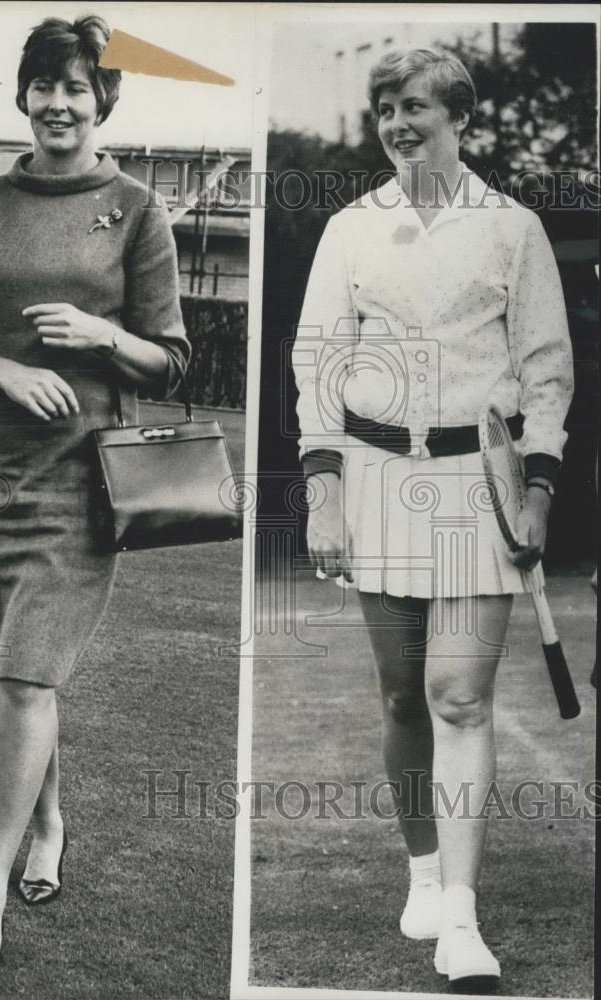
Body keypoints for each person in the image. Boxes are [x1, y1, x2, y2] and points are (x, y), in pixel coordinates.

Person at [292, 48, 573, 990]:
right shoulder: (347, 228)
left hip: (478, 488)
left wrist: (536, 489)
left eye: (414, 106)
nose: (397, 123)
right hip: (374, 479)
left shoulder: (513, 228)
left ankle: (461, 916)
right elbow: (318, 365)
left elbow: (544, 371)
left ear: (460, 116)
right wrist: (324, 486)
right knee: (404, 696)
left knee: (459, 695)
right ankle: (420, 871)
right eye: (385, 108)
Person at [0, 15, 190, 980]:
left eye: (77, 88)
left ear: (104, 99)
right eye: (44, 86)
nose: (59, 104)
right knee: (26, 677)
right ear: (24, 97)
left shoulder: (137, 208)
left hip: (88, 479)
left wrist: (99, 333)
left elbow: (170, 360)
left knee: (27, 680)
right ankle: (51, 827)